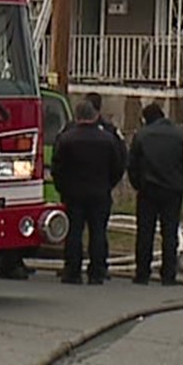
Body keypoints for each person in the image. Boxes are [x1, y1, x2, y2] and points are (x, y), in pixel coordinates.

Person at [50, 98, 126, 285]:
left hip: (73, 193)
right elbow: (117, 165)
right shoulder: (108, 139)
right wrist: (108, 184)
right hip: (99, 192)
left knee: (74, 233)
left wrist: (63, 188)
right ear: (95, 116)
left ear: (77, 117)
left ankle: (72, 271)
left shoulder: (66, 139)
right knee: (98, 232)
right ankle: (97, 272)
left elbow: (57, 167)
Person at [128, 102, 183, 285]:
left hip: (148, 190)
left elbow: (132, 165)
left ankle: (142, 273)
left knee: (145, 233)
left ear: (146, 119)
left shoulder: (141, 136)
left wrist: (139, 185)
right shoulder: (182, 135)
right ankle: (168, 274)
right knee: (170, 233)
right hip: (172, 190)